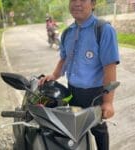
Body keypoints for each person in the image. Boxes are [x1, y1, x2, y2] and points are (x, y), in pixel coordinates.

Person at [39, 0, 120, 149]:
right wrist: (54, 75)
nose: (77, 3)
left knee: (99, 131)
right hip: (73, 92)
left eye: (83, 0)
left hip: (94, 94)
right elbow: (64, 58)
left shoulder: (103, 30)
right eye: (73, 0)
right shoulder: (67, 32)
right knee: (75, 129)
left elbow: (109, 67)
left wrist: (108, 102)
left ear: (93, 4)